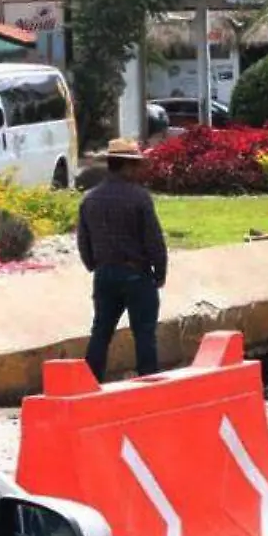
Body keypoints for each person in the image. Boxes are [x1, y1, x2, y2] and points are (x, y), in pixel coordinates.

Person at [76, 138, 167, 381]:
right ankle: (148, 384)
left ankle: (91, 383)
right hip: (137, 274)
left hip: (105, 274)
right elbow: (154, 241)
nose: (139, 171)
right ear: (127, 166)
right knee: (144, 335)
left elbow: (83, 242)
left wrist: (94, 266)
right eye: (136, 166)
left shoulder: (90, 199)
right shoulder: (139, 198)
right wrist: (159, 273)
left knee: (101, 332)